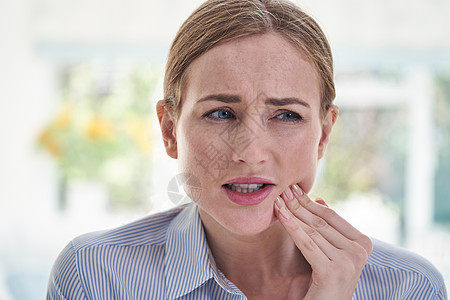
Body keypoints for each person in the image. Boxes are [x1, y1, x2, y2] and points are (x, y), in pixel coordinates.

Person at [47, 0, 447, 299]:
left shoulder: (408, 288)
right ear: (170, 130)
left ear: (323, 135)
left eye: (286, 115)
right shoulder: (95, 276)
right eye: (221, 113)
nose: (250, 152)